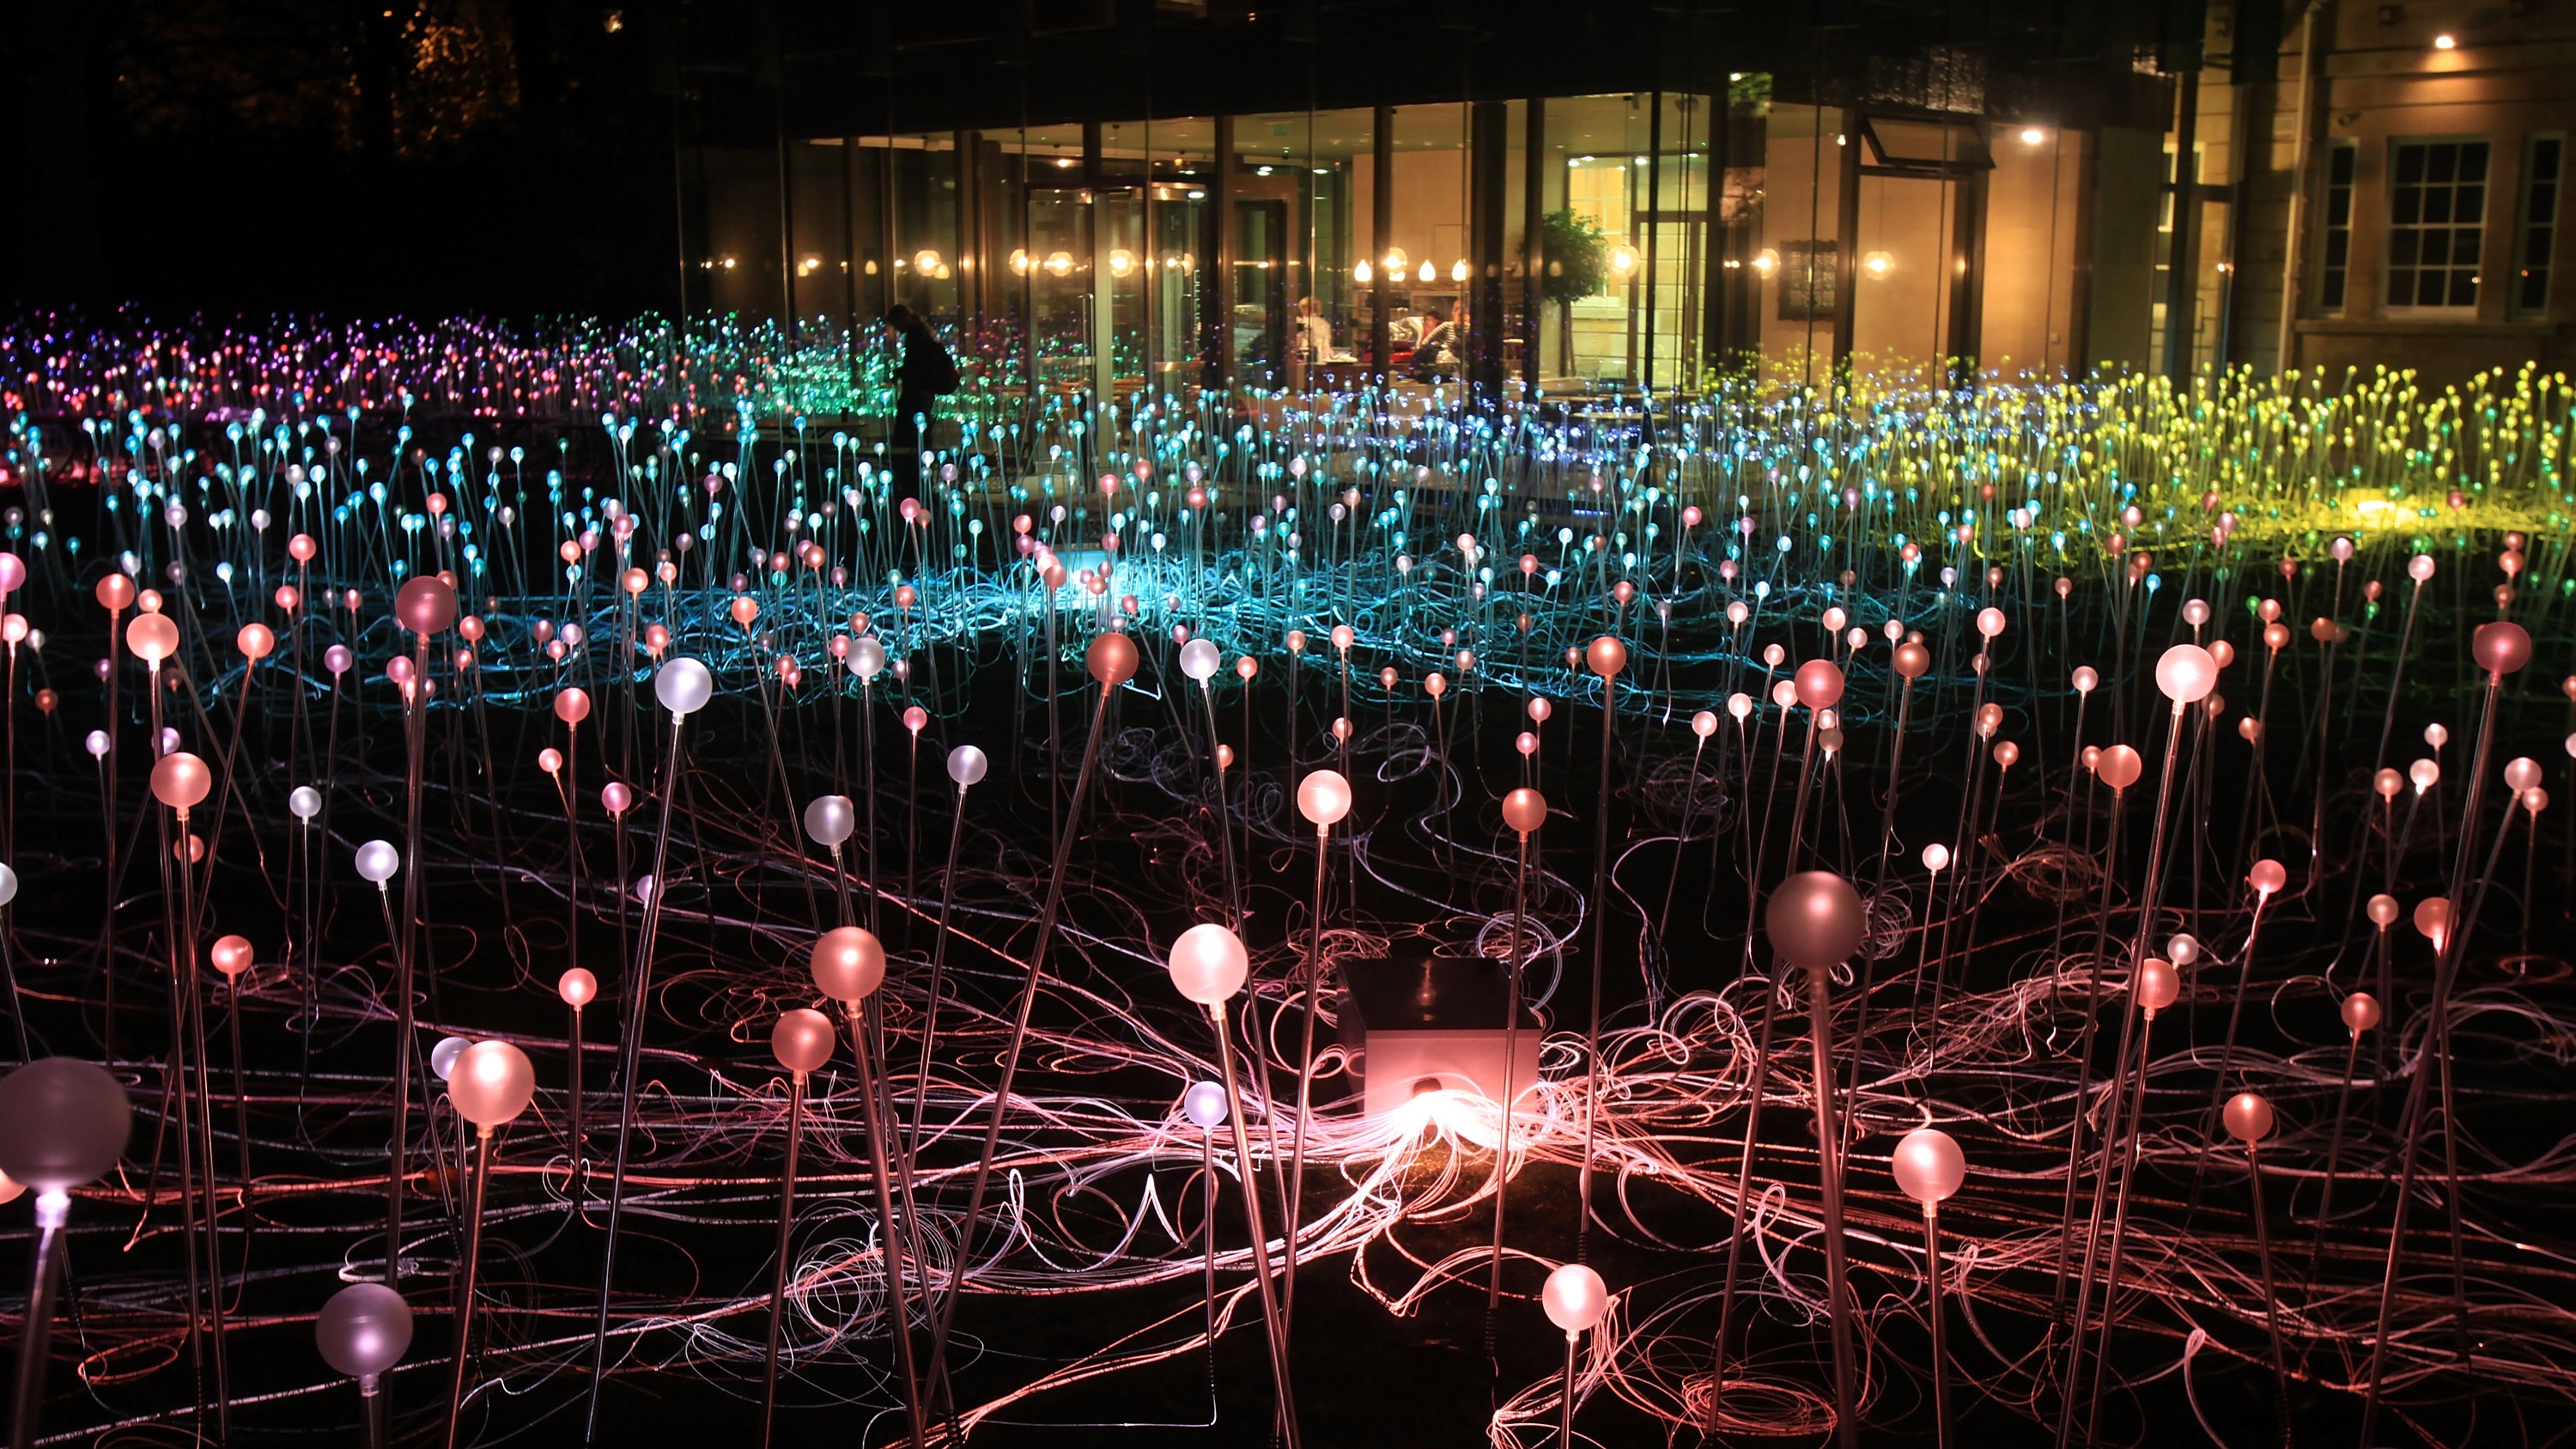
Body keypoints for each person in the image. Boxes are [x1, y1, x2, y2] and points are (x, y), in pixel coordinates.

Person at [884, 304, 956, 503]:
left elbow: (917, 367)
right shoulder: (923, 334)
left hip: (916, 395)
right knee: (920, 436)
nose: (897, 329)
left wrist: (901, 373)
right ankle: (918, 483)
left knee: (908, 439)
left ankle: (910, 485)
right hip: (924, 395)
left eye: (896, 324)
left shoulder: (916, 337)